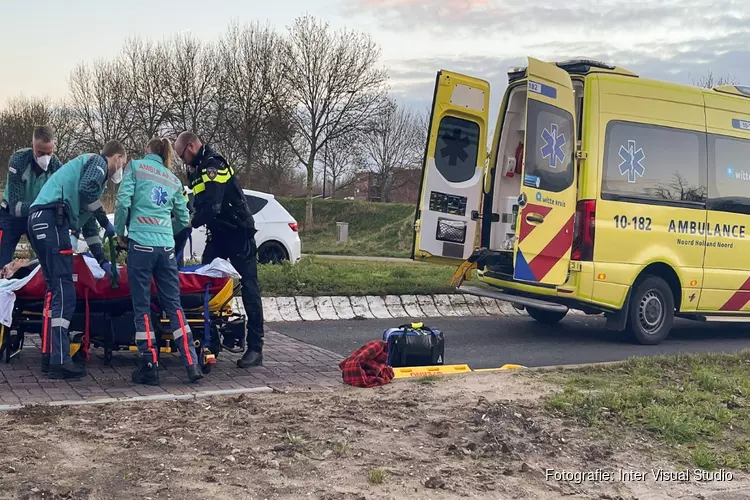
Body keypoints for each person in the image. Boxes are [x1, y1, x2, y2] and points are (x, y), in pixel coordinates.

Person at [28, 141, 124, 379]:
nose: (122, 166)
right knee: (65, 291)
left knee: (54, 291)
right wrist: (105, 220)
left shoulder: (88, 178)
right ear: (118, 157)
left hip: (38, 219)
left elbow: (88, 228)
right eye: (123, 161)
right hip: (53, 219)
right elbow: (86, 190)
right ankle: (60, 361)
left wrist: (102, 261)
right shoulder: (99, 163)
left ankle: (49, 356)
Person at [114, 137, 203, 385]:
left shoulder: (136, 167)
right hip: (166, 248)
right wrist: (165, 231)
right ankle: (192, 363)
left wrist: (121, 232)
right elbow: (183, 218)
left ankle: (149, 365)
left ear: (146, 150)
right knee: (174, 305)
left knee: (142, 306)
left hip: (140, 245)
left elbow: (122, 202)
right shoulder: (173, 180)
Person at [173, 131, 264, 368]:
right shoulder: (198, 167)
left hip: (238, 232)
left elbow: (212, 206)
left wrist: (190, 223)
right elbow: (197, 201)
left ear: (191, 146)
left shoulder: (213, 165)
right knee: (206, 278)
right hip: (220, 233)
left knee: (249, 286)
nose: (183, 161)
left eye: (182, 155)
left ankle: (256, 348)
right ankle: (209, 339)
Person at [0, 126, 63, 268]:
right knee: (2, 259)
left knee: (45, 258)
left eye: (49, 152)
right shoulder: (18, 161)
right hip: (10, 215)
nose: (45, 158)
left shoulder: (56, 166)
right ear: (32, 146)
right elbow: (16, 208)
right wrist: (45, 206)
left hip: (37, 215)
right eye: (40, 152)